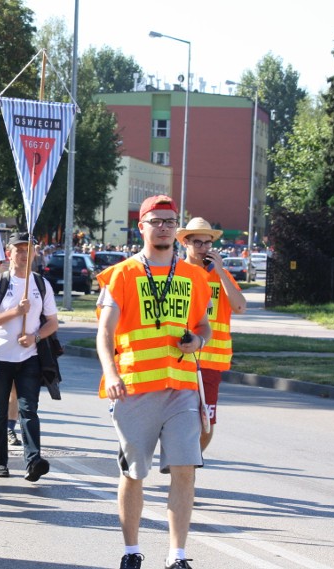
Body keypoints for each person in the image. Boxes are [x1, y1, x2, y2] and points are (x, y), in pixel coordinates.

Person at [95, 195, 212, 569]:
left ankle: (177, 556)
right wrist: (111, 373)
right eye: (156, 220)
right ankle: (131, 551)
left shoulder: (194, 276)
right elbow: (104, 332)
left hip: (181, 388)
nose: (163, 226)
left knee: (185, 470)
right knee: (134, 473)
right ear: (141, 226)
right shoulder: (123, 274)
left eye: (169, 221)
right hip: (134, 388)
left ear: (176, 231)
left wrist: (199, 340)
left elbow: (203, 326)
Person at [0, 232, 58, 482]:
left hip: (29, 357)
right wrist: (15, 311)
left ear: (35, 253)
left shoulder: (41, 284)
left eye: (28, 249)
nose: (24, 254)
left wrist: (35, 337)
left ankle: (33, 460)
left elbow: (52, 322)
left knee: (28, 410)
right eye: (19, 249)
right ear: (9, 253)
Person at [177, 217, 246, 451]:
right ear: (185, 243)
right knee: (176, 418)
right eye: (198, 242)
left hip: (210, 363)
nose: (204, 249)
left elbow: (240, 307)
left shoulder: (221, 275)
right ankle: (179, 460)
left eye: (208, 243)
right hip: (179, 358)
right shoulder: (177, 274)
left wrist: (221, 273)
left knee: (206, 422)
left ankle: (190, 463)